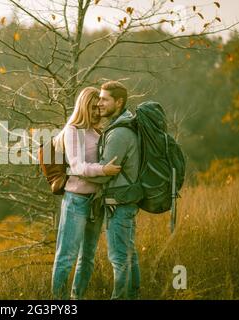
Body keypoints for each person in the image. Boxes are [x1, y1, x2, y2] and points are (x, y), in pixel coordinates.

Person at [51, 86, 121, 300]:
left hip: (96, 202)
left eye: (98, 107)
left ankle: (76, 298)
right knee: (66, 256)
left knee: (88, 257)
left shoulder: (98, 131)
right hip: (76, 201)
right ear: (82, 106)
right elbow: (77, 166)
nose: (96, 112)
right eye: (91, 107)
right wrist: (103, 170)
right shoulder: (73, 130)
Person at [85, 80, 141, 300]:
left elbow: (105, 172)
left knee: (119, 259)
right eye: (99, 98)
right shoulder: (124, 125)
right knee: (129, 256)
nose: (99, 103)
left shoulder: (118, 133)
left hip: (118, 205)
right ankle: (134, 296)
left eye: (104, 99)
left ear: (119, 102)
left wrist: (73, 173)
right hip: (124, 202)